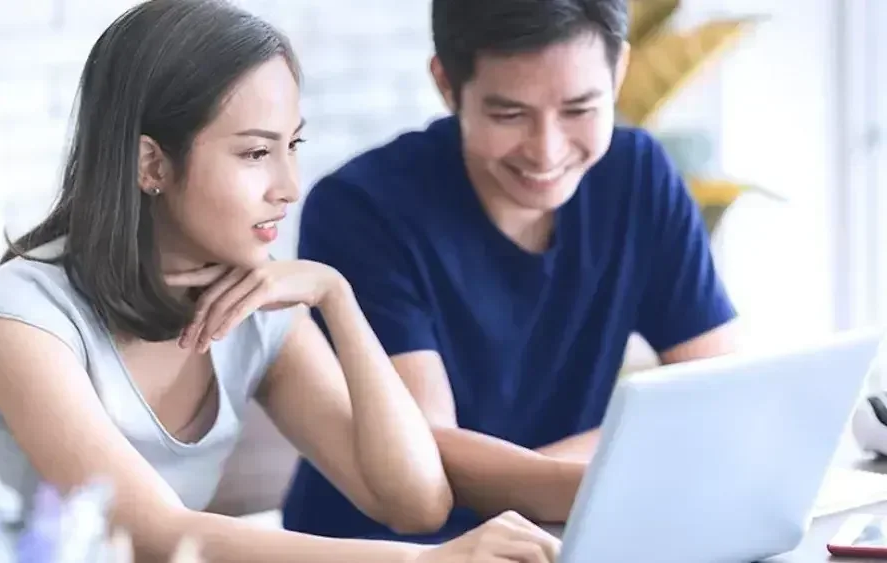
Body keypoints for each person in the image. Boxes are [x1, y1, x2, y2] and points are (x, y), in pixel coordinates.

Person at [0, 1, 561, 561]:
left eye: (292, 147)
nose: (288, 188)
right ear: (151, 163)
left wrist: (336, 297)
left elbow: (414, 501)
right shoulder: (20, 318)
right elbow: (154, 535)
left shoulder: (258, 306)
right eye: (256, 153)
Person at [283, 0, 740, 544]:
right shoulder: (361, 210)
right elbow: (427, 458)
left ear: (618, 74)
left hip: (564, 531)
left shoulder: (638, 174)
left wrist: (559, 483)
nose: (547, 151)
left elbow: (717, 396)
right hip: (388, 548)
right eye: (509, 114)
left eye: (579, 110)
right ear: (447, 84)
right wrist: (615, 472)